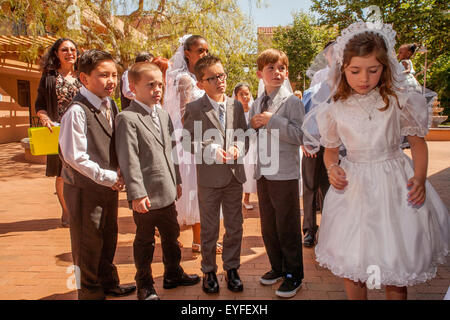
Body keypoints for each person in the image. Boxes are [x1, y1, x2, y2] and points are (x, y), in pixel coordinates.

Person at [302, 21, 449, 300]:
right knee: (354, 261)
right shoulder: (334, 108)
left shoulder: (398, 101)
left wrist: (419, 176)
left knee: (395, 261)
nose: (364, 78)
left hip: (394, 184)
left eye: (373, 70)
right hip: (353, 187)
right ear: (342, 69)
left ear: (385, 68)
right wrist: (332, 167)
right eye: (355, 71)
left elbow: (418, 143)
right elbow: (331, 149)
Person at [115, 62, 200, 300]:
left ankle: (173, 273)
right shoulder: (127, 118)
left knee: (172, 235)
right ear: (133, 87)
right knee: (145, 241)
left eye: (160, 84)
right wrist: (137, 193)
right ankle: (144, 283)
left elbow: (171, 151)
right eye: (150, 85)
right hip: (146, 195)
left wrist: (178, 180)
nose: (157, 89)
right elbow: (129, 159)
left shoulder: (162, 114)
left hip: (167, 190)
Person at [59, 49, 136, 300]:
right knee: (86, 243)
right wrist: (110, 177)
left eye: (114, 74)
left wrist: (120, 172)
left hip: (106, 186)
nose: (111, 81)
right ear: (84, 78)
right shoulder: (77, 111)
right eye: (103, 75)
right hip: (84, 189)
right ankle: (89, 292)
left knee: (107, 236)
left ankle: (108, 282)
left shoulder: (110, 104)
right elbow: (74, 156)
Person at [182, 55, 248, 294]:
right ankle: (208, 271)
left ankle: (231, 269)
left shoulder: (236, 105)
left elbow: (245, 135)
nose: (220, 80)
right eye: (213, 78)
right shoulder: (194, 108)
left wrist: (239, 147)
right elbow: (187, 141)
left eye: (222, 75)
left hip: (233, 177)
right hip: (209, 179)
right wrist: (209, 149)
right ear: (200, 83)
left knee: (235, 225)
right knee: (209, 228)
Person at [249, 48, 305, 299]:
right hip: (263, 172)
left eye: (281, 68)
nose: (276, 72)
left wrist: (273, 121)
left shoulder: (293, 102)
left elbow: (300, 135)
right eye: (270, 68)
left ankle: (295, 274)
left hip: (284, 174)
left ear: (287, 72)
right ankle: (277, 268)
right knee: (269, 225)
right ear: (260, 73)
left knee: (287, 225)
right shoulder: (257, 102)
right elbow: (252, 133)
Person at [164, 35, 222, 254]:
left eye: (207, 51)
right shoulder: (184, 79)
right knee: (193, 188)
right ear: (187, 53)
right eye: (200, 50)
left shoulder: (206, 75)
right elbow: (183, 112)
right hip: (189, 138)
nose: (204, 54)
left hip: (205, 136)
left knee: (202, 189)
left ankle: (200, 239)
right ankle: (193, 238)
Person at [35, 38, 82, 227]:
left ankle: (81, 210)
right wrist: (44, 118)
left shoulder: (83, 75)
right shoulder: (49, 77)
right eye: (65, 49)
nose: (70, 53)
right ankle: (67, 211)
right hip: (59, 131)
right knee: (62, 174)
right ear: (56, 53)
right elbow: (40, 104)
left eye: (73, 49)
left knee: (82, 171)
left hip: (82, 130)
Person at [232, 83, 256, 210]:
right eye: (241, 94)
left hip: (252, 146)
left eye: (247, 93)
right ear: (236, 96)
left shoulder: (254, 110)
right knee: (240, 172)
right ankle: (237, 199)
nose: (245, 96)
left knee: (250, 172)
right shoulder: (234, 111)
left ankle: (246, 199)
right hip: (239, 146)